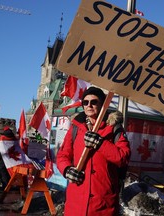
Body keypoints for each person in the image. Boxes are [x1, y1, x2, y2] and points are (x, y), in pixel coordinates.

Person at [56, 87, 131, 216]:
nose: (89, 105)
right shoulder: (76, 127)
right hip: (76, 201)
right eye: (85, 102)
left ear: (102, 104)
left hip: (103, 202)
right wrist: (67, 170)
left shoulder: (114, 128)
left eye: (94, 102)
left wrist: (100, 143)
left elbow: (123, 157)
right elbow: (63, 155)